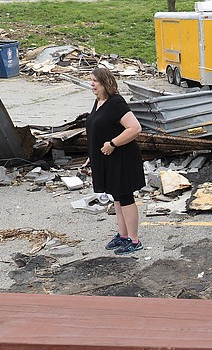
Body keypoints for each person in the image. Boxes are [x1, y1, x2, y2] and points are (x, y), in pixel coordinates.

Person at [85, 66, 146, 255]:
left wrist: (113, 143)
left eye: (95, 81)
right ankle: (123, 235)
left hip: (123, 158)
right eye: (91, 80)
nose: (92, 84)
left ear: (105, 83)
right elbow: (99, 130)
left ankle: (134, 241)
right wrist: (91, 156)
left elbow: (135, 128)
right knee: (117, 197)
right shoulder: (99, 102)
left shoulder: (116, 102)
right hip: (106, 158)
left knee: (125, 197)